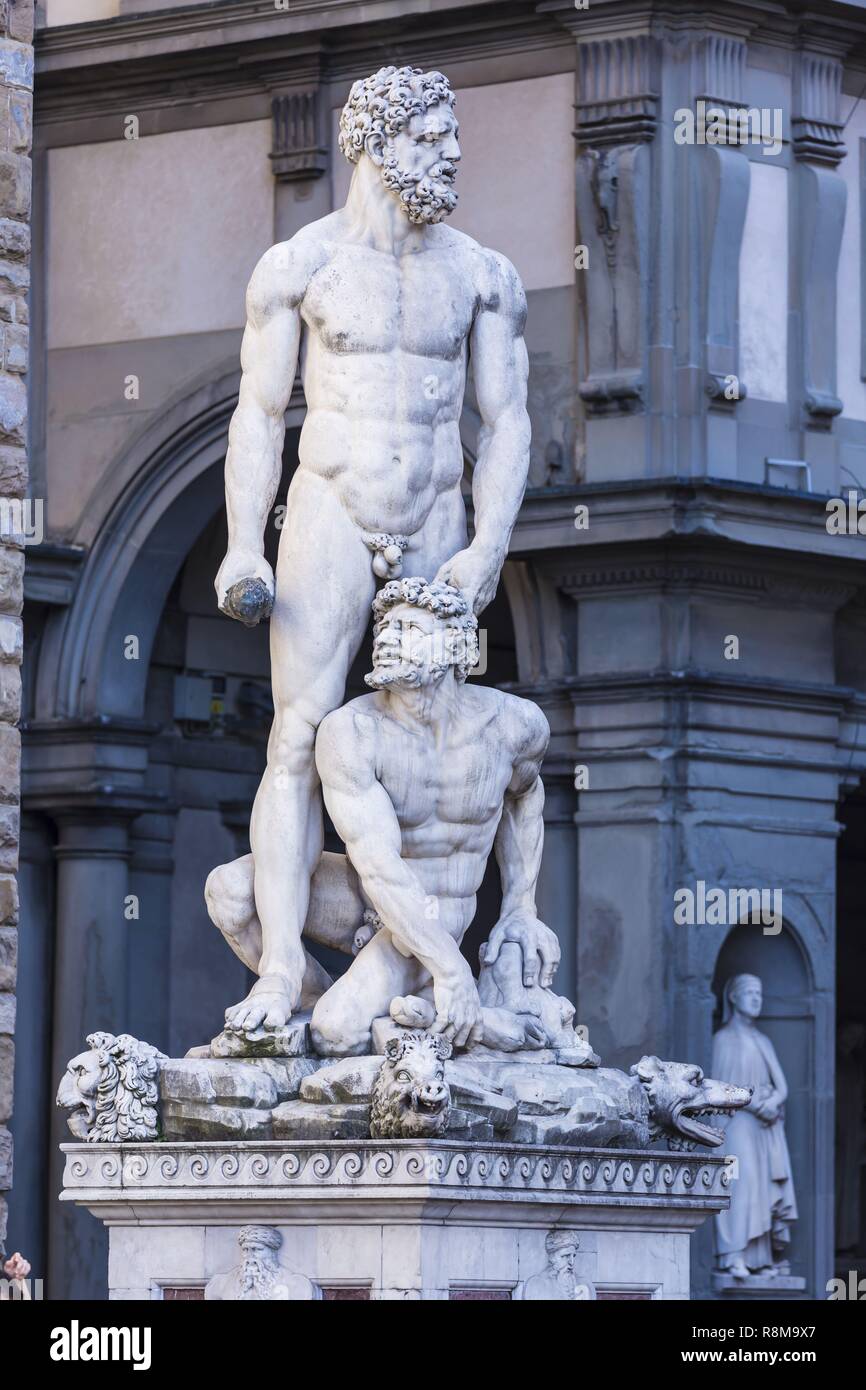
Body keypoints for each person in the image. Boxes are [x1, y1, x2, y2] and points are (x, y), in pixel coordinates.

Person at [213, 65, 530, 1037]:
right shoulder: (298, 267)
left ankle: (429, 957)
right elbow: (258, 417)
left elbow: (506, 419)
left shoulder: (480, 272)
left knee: (437, 735)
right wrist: (241, 546)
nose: (451, 152)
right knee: (297, 738)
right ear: (375, 141)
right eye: (432, 135)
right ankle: (276, 973)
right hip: (329, 509)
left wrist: (485, 549)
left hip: (434, 509)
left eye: (451, 135)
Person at [207, 578, 560, 1053]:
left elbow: (525, 797)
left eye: (409, 628)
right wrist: (451, 970)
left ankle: (459, 1017)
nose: (388, 639)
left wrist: (521, 906)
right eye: (384, 628)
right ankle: (321, 1002)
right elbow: (376, 865)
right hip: (365, 889)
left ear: (457, 645)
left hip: (439, 904)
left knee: (337, 1033)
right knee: (229, 890)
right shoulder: (351, 730)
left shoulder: (514, 726)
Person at [712, 974, 798, 1278]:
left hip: (765, 1126)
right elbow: (719, 1088)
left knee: (762, 1188)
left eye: (759, 993)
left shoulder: (763, 1041)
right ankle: (733, 1254)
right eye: (749, 992)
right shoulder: (723, 1039)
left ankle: (758, 1259)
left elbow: (782, 1085)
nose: (756, 998)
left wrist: (773, 1102)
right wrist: (754, 1104)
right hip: (738, 1124)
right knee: (742, 1184)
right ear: (733, 997)